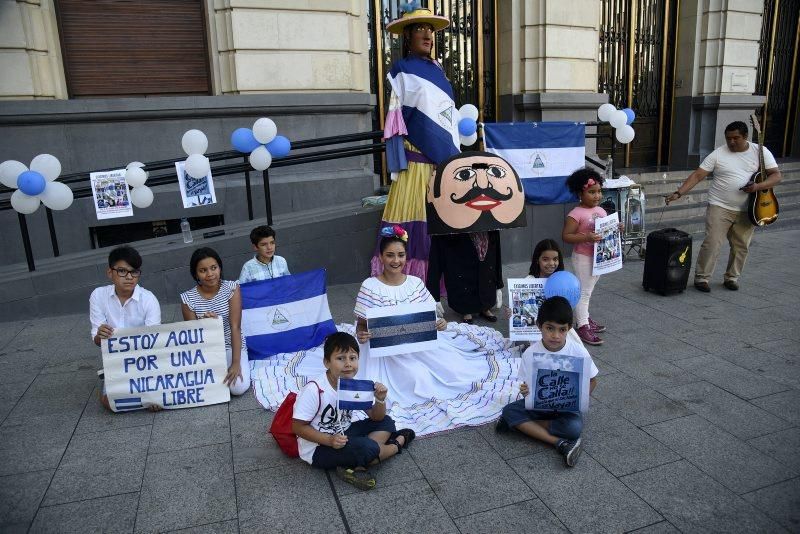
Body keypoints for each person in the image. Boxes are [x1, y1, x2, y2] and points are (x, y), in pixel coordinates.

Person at [249, 226, 519, 436]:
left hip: (417, 346)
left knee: (440, 375)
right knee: (400, 382)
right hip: (380, 350)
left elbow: (430, 316)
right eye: (390, 255)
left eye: (400, 255)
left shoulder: (414, 282)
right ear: (381, 257)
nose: (395, 260)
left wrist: (441, 324)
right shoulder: (370, 285)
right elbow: (361, 324)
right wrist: (361, 334)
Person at [370, 6, 460, 282]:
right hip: (416, 161)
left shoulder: (440, 72)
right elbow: (395, 121)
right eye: (420, 29)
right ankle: (404, 280)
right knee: (413, 222)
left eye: (431, 30)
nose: (428, 35)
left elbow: (447, 119)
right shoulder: (401, 70)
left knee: (440, 224)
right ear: (407, 36)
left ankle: (438, 285)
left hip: (442, 163)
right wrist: (396, 160)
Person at [665, 121, 782, 292]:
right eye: (729, 138)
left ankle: (732, 278)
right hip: (719, 206)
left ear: (746, 137)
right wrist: (679, 192)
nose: (732, 142)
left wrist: (758, 186)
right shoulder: (718, 154)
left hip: (749, 209)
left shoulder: (760, 151)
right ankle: (702, 278)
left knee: (741, 246)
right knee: (712, 243)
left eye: (736, 138)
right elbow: (698, 175)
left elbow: (776, 176)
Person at [292, 332, 415, 491]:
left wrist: (380, 399)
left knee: (387, 421)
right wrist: (329, 440)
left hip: (345, 432)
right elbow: (297, 427)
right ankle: (397, 444)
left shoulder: (353, 385)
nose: (348, 364)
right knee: (368, 448)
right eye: (340, 358)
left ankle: (356, 460)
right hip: (318, 448)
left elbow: (377, 418)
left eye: (353, 358)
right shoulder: (315, 390)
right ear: (327, 362)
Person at [496, 296, 599, 467]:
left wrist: (579, 398)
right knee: (509, 410)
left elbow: (593, 380)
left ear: (569, 329)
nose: (555, 336)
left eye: (562, 330)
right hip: (539, 406)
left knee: (574, 428)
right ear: (539, 326)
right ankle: (559, 443)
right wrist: (525, 391)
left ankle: (519, 425)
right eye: (550, 328)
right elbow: (526, 385)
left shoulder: (578, 351)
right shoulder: (530, 353)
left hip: (565, 409)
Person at [90, 245, 161, 411]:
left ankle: (143, 393)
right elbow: (97, 340)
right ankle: (136, 393)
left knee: (156, 400)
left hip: (145, 361)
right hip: (116, 362)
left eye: (134, 272)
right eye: (122, 271)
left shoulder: (149, 299)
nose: (129, 277)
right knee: (109, 403)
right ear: (110, 273)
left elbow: (154, 341)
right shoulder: (98, 296)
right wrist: (101, 335)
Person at [562, 168, 621, 346]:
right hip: (583, 257)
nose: (597, 196)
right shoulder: (576, 213)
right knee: (584, 292)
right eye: (591, 192)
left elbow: (605, 230)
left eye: (599, 191)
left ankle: (585, 318)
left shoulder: (601, 210)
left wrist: (616, 228)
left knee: (589, 290)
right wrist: (586, 237)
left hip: (599, 258)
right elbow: (566, 236)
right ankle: (582, 326)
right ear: (580, 193)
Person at [181, 247, 250, 396]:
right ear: (196, 274)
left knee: (237, 387)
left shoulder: (232, 288)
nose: (210, 274)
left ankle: (240, 364)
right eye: (203, 270)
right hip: (207, 350)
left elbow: (235, 327)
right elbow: (193, 339)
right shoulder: (187, 299)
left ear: (220, 268)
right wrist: (204, 325)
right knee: (204, 387)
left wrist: (236, 363)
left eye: (214, 268)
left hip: (231, 345)